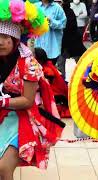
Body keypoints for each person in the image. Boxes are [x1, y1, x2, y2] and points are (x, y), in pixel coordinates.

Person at [0, 1, 64, 179]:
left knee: (4, 169)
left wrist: (3, 101)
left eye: (6, 37)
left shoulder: (28, 63)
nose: (1, 42)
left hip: (21, 119)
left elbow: (27, 100)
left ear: (15, 39)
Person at [34, 48, 70, 118]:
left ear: (39, 59)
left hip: (58, 96)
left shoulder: (47, 69)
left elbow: (45, 85)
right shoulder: (47, 65)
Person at [35, 0, 67, 65]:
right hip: (37, 46)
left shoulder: (57, 7)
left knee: (50, 72)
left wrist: (51, 21)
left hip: (52, 49)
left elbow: (63, 24)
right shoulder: (35, 7)